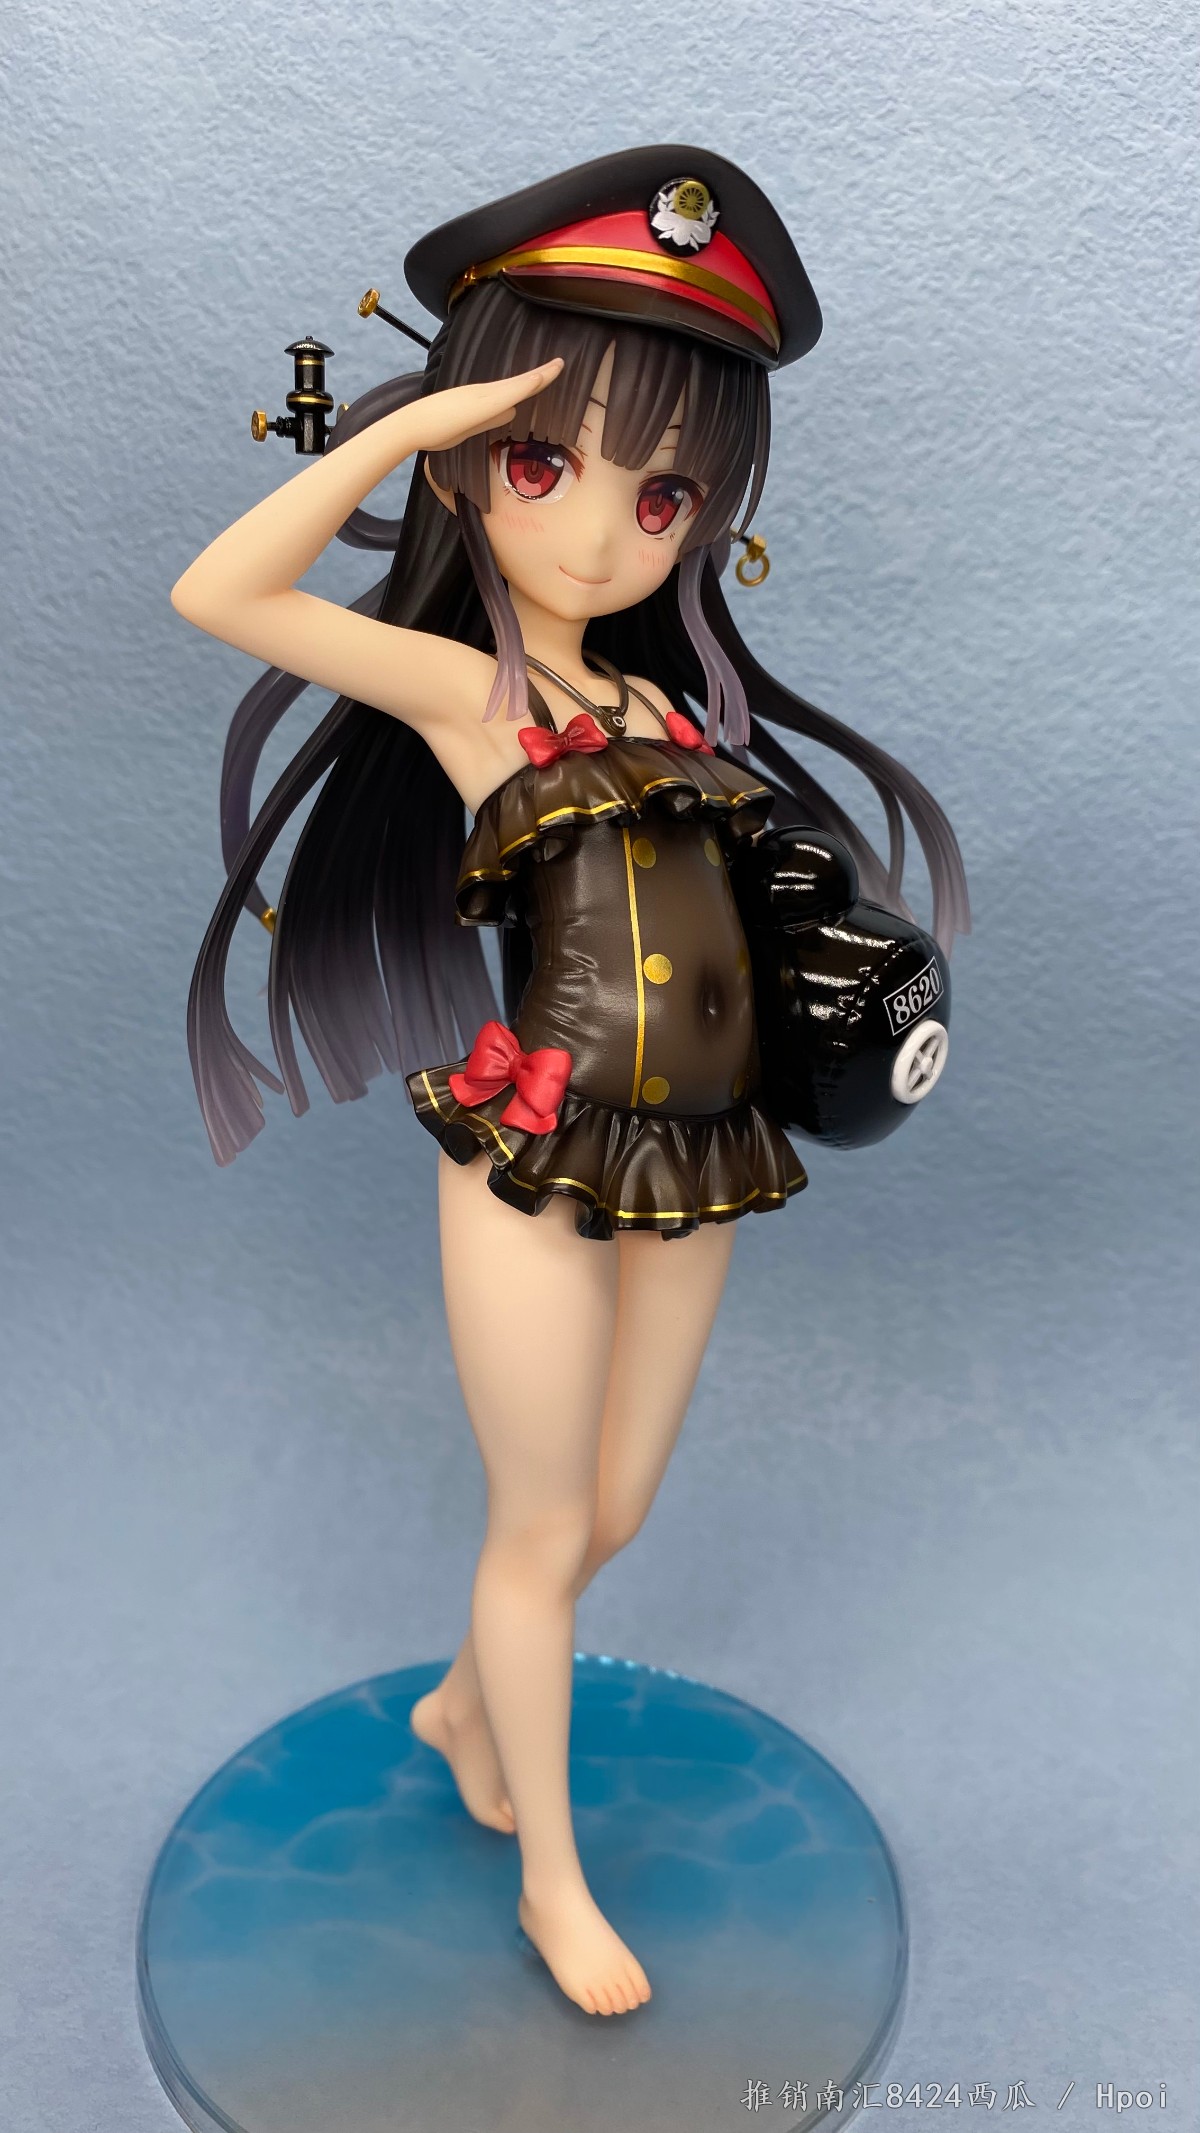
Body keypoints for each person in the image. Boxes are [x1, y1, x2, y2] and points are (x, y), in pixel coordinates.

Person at [173, 146, 969, 2018]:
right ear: (479, 467)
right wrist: (409, 430)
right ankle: (550, 1877)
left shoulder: (673, 714)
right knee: (541, 1529)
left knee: (612, 1509)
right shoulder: (477, 698)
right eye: (549, 465)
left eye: (662, 492)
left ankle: (467, 1704)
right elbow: (223, 590)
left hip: (704, 1145)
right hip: (536, 1150)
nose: (604, 534)